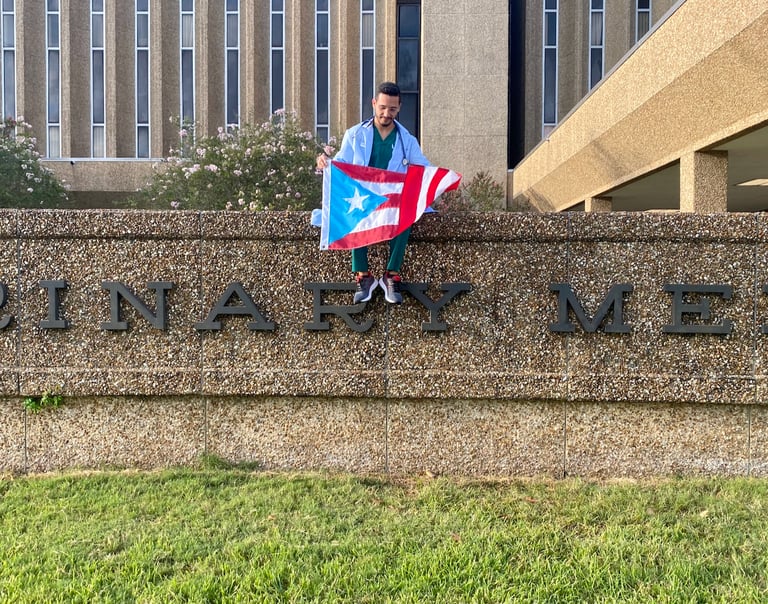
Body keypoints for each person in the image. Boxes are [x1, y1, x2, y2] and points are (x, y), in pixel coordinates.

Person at [317, 81, 431, 305]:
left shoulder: (407, 140)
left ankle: (391, 275)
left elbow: (424, 169)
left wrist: (442, 179)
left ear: (399, 108)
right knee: (355, 212)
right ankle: (363, 275)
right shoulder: (355, 134)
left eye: (392, 109)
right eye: (382, 107)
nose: (386, 113)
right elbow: (340, 164)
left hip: (390, 200)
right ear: (373, 104)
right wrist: (324, 163)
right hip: (364, 198)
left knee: (407, 214)